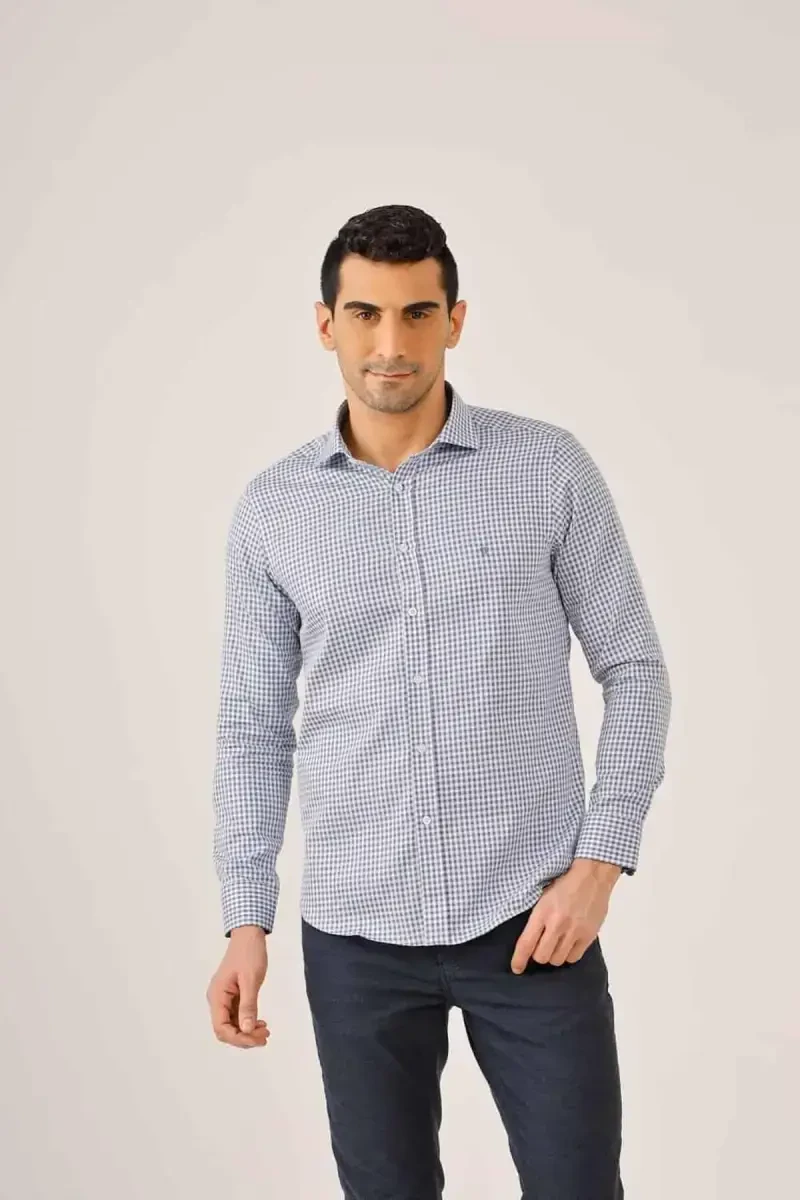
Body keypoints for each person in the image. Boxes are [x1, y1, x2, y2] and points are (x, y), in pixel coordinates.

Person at [206, 203, 672, 1198]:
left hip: (532, 923)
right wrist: (246, 919)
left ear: (455, 320)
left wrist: (599, 864)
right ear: (325, 324)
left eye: (417, 313)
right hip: (357, 935)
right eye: (365, 313)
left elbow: (633, 666)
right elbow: (252, 728)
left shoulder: (545, 469)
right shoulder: (273, 512)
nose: (391, 342)